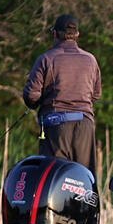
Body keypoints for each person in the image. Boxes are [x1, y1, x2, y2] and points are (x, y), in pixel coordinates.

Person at [22, 14, 102, 176]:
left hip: (56, 126)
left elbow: (31, 95)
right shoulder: (91, 60)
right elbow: (96, 94)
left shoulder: (46, 59)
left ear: (55, 34)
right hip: (85, 125)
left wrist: (37, 103)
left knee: (55, 178)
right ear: (77, 35)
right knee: (84, 179)